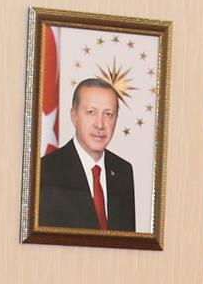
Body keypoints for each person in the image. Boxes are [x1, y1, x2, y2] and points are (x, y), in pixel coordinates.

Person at [37, 77, 137, 231]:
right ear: (74, 116)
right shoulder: (46, 170)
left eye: (108, 114)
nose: (100, 125)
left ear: (116, 119)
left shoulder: (123, 171)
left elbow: (127, 240)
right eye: (91, 112)